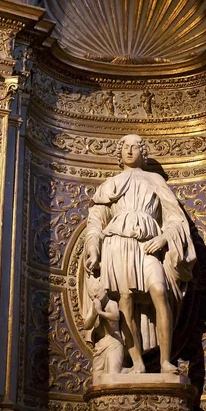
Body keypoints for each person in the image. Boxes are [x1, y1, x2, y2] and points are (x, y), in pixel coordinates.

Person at [84, 134, 196, 374]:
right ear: (119, 152)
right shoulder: (110, 184)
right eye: (125, 146)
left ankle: (165, 361)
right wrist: (93, 247)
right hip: (117, 244)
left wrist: (165, 237)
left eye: (135, 146)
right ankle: (137, 363)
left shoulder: (155, 180)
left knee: (159, 291)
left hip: (147, 245)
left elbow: (175, 218)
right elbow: (95, 221)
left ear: (143, 153)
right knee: (125, 301)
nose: (130, 150)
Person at [83, 276, 124, 377]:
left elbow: (116, 316)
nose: (94, 295)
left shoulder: (112, 304)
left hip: (113, 342)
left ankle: (130, 372)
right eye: (91, 295)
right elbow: (86, 325)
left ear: (104, 290)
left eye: (96, 291)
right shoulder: (94, 307)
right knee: (97, 377)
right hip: (100, 346)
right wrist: (94, 313)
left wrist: (101, 313)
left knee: (112, 375)